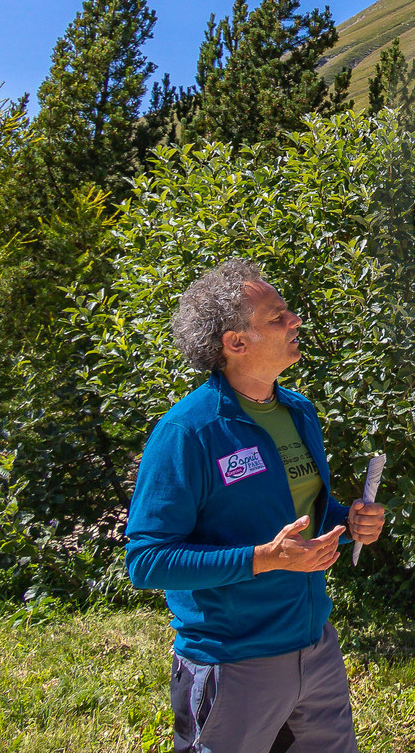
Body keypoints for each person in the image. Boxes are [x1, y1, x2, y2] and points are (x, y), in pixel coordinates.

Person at [126, 258, 387, 753]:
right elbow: (147, 561)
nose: (295, 321)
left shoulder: (298, 411)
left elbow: (303, 513)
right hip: (233, 660)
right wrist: (264, 558)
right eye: (277, 316)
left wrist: (349, 520)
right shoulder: (188, 431)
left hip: (314, 648)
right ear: (236, 342)